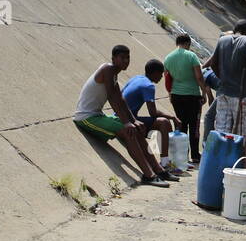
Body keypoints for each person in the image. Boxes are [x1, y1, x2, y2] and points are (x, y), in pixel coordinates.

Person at [72, 46, 177, 186]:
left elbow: (120, 99)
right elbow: (111, 98)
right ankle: (148, 175)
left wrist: (133, 120)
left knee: (137, 128)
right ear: (113, 58)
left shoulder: (114, 73)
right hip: (86, 118)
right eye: (122, 58)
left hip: (98, 115)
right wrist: (127, 123)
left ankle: (159, 169)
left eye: (128, 58)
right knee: (130, 132)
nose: (126, 61)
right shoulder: (107, 69)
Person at [120, 60, 181, 171]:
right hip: (126, 121)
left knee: (161, 122)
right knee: (164, 123)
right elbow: (153, 113)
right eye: (161, 73)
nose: (162, 77)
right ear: (154, 73)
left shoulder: (136, 78)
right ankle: (165, 163)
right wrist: (172, 117)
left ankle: (165, 159)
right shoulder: (148, 86)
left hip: (121, 117)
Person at [208, 20, 246, 152]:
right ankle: (243, 155)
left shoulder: (222, 40)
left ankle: (220, 154)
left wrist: (223, 78)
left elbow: (213, 63)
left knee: (222, 126)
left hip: (223, 91)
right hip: (242, 92)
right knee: (243, 128)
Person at [164, 33, 211, 164]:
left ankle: (183, 156)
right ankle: (195, 155)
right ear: (188, 44)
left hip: (176, 96)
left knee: (182, 125)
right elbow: (199, 77)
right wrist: (204, 92)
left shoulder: (168, 58)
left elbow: (167, 79)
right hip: (192, 96)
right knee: (194, 125)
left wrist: (170, 94)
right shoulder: (191, 56)